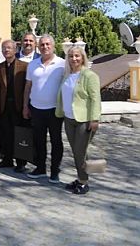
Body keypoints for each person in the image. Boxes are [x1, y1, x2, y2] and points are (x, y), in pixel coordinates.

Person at [55, 46, 101, 195]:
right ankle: (87, 174)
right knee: (78, 151)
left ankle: (83, 182)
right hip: (69, 119)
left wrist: (94, 119)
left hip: (84, 120)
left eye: (77, 56)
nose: (74, 59)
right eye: (71, 56)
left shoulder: (89, 76)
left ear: (82, 57)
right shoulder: (67, 75)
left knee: (79, 152)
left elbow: (95, 99)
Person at [23, 35, 65, 182]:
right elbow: (28, 87)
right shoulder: (32, 65)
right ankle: (40, 168)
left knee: (56, 141)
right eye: (42, 45)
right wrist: (25, 106)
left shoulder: (62, 64)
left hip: (55, 109)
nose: (45, 47)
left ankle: (55, 170)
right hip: (36, 108)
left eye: (47, 44)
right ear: (38, 47)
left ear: (53, 46)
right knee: (38, 140)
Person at [0, 39, 30, 171]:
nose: (6, 50)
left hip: (18, 106)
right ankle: (7, 159)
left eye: (9, 48)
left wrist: (27, 106)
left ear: (15, 50)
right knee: (5, 134)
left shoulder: (24, 66)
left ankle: (21, 163)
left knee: (20, 134)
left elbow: (27, 87)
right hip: (4, 106)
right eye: (4, 48)